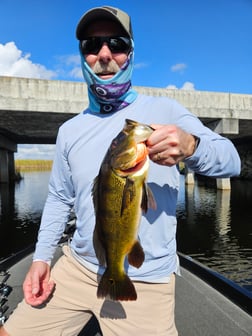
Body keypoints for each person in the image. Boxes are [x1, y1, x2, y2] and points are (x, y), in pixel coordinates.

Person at [0, 6, 240, 336]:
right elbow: (58, 199)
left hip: (146, 281)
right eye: (91, 44)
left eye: (116, 43)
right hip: (77, 266)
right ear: (82, 55)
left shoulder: (165, 110)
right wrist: (42, 259)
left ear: (130, 52)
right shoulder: (69, 130)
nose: (104, 54)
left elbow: (231, 161)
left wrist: (192, 146)